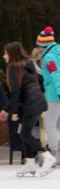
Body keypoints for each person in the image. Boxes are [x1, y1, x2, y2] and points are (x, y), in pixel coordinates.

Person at [4, 42, 53, 176]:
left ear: (12, 54)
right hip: (35, 102)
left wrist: (13, 112)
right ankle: (30, 163)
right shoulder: (26, 66)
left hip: (31, 104)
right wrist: (7, 109)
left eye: (6, 53)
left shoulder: (15, 67)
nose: (4, 56)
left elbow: (16, 92)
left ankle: (47, 156)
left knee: (25, 133)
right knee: (24, 132)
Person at [37, 27, 59, 163]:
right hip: (56, 92)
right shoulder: (57, 53)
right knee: (58, 125)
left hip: (54, 95)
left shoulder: (49, 58)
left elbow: (56, 75)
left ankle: (55, 154)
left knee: (50, 125)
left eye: (39, 45)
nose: (38, 49)